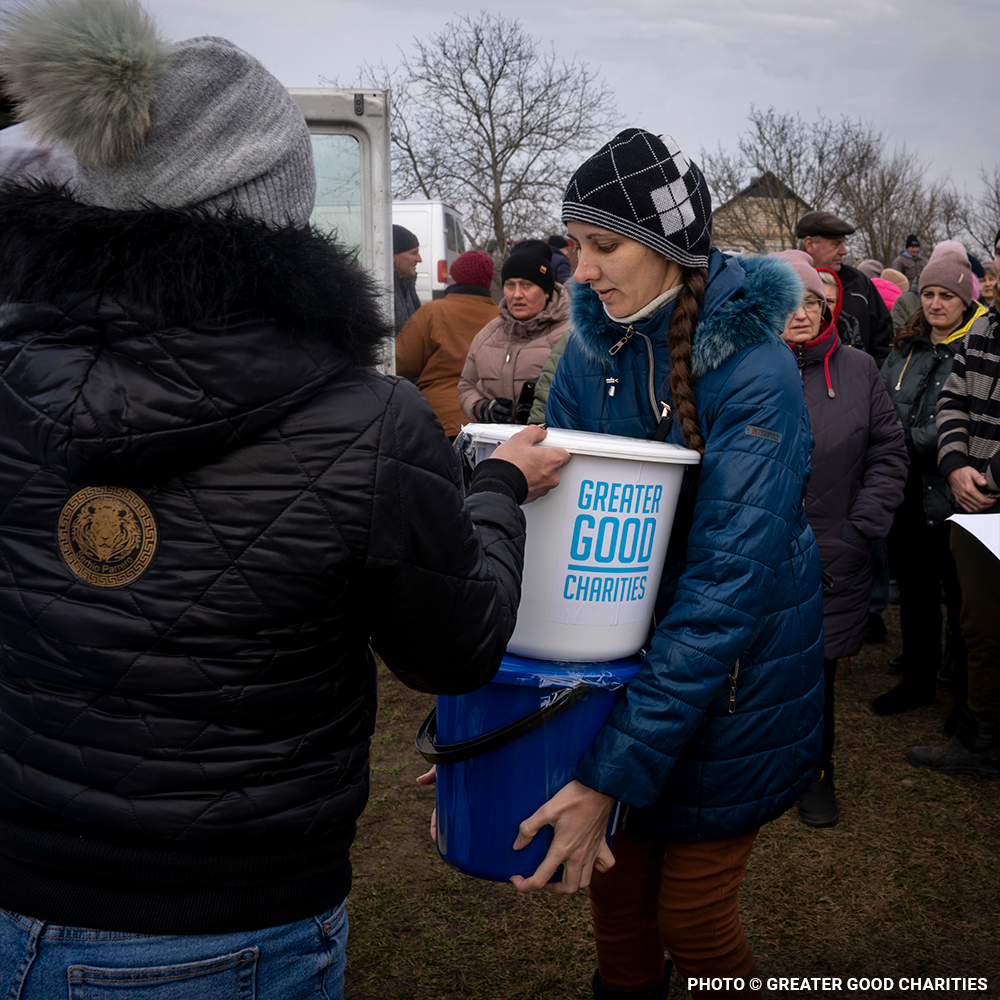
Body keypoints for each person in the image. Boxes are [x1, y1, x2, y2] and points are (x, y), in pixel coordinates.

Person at [0, 2, 571, 997]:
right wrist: (492, 489)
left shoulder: (12, 372)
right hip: (225, 912)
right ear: (278, 213)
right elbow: (453, 646)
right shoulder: (367, 418)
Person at [510, 129, 825, 998]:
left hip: (731, 686)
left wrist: (610, 770)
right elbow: (564, 550)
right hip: (624, 676)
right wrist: (487, 723)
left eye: (602, 246)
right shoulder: (587, 353)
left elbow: (724, 590)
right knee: (614, 906)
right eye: (575, 245)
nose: (580, 270)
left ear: (669, 247)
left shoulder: (757, 372)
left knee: (692, 917)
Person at [771, 251, 906, 825]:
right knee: (756, 671)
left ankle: (817, 773)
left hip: (834, 551)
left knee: (816, 677)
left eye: (809, 299)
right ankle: (759, 770)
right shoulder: (741, 367)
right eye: (786, 300)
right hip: (759, 551)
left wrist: (862, 528)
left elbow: (888, 451)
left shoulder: (858, 369)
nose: (800, 313)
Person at [909, 228, 1000, 778]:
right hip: (970, 501)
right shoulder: (986, 328)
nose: (994, 279)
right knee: (979, 624)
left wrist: (989, 474)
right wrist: (955, 466)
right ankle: (981, 738)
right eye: (994, 268)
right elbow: (953, 399)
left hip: (990, 492)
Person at [458, 240, 569, 424]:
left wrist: (545, 409)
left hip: (547, 446)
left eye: (527, 285)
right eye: (510, 285)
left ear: (547, 291)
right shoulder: (487, 335)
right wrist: (481, 407)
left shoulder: (569, 337)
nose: (517, 294)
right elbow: (466, 385)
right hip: (495, 446)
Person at [395, 250, 499, 438]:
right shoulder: (501, 318)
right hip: (489, 420)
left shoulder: (432, 313)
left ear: (454, 279)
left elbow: (402, 363)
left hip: (440, 420)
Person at [796, 211, 893, 365]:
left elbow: (883, 340)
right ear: (810, 244)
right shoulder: (785, 284)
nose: (844, 250)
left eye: (843, 243)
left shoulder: (859, 283)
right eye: (836, 244)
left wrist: (872, 379)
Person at [393, 224, 422, 333]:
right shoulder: (381, 292)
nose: (419, 259)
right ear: (393, 256)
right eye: (414, 253)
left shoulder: (408, 286)